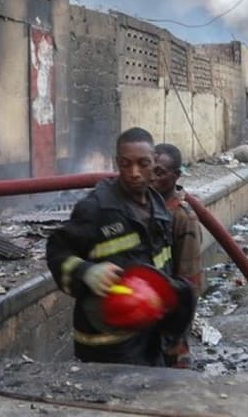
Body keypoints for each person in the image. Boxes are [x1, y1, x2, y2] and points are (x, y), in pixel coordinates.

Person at [46, 128, 195, 366]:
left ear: (154, 162)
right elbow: (57, 251)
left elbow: (163, 266)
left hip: (149, 336)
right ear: (117, 163)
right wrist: (86, 272)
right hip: (107, 345)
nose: (134, 173)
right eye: (126, 164)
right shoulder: (96, 208)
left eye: (142, 163)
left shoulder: (158, 205)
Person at [152, 143, 203, 369]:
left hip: (169, 316)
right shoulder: (147, 207)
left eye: (160, 173)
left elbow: (189, 280)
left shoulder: (182, 217)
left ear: (176, 176)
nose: (151, 178)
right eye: (150, 169)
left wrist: (177, 334)